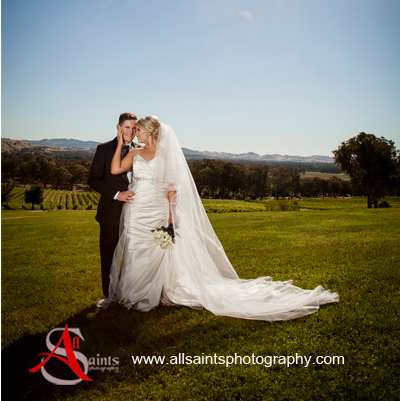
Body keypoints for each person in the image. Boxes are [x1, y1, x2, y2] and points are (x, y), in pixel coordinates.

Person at [99, 116, 339, 321]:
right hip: (137, 207)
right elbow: (115, 170)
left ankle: (152, 293)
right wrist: (121, 142)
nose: (135, 134)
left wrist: (171, 217)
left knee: (157, 249)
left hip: (157, 209)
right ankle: (133, 291)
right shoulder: (135, 153)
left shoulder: (165, 155)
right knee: (135, 248)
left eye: (138, 130)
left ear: (149, 132)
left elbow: (172, 189)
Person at [88, 112, 137, 301]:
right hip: (111, 212)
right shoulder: (104, 149)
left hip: (136, 213)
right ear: (118, 128)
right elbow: (93, 180)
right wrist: (117, 195)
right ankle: (109, 295)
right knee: (108, 256)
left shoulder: (139, 150)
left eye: (134, 128)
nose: (131, 132)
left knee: (132, 256)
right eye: (127, 127)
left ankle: (128, 290)